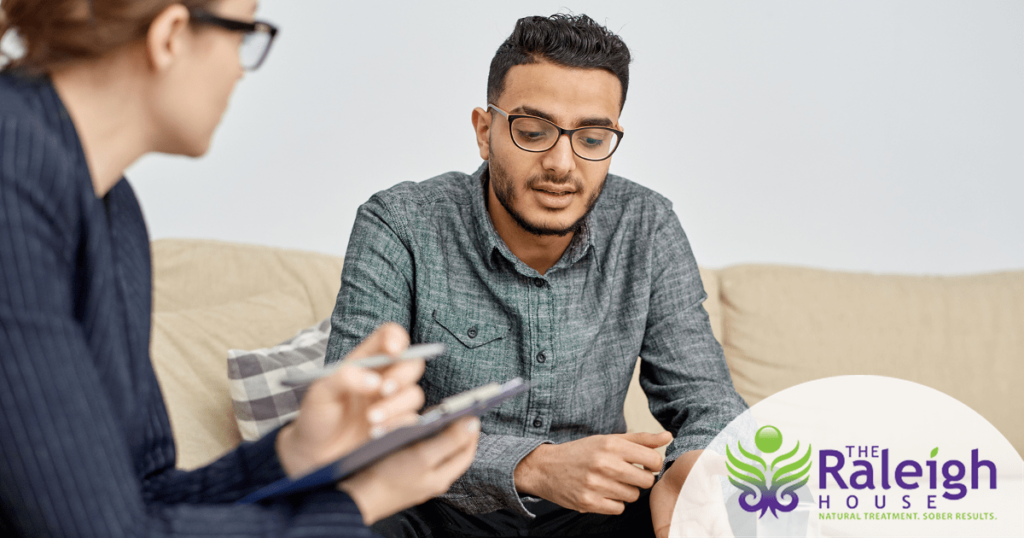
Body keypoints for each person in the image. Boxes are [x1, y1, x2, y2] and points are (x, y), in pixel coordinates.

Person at [0, 0, 480, 536]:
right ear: (171, 35)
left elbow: (147, 496)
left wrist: (295, 452)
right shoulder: (12, 178)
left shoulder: (114, 209)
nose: (241, 69)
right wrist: (360, 500)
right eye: (244, 33)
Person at [324, 13, 749, 538]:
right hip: (435, 506)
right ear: (485, 132)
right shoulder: (401, 223)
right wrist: (533, 465)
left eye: (592, 139)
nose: (561, 164)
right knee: (343, 516)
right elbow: (354, 425)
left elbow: (709, 403)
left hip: (594, 517)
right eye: (532, 132)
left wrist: (694, 464)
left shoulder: (647, 224)